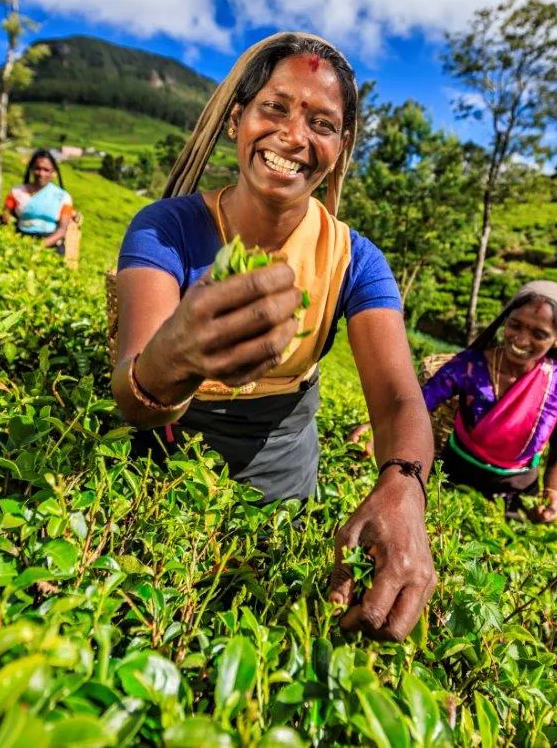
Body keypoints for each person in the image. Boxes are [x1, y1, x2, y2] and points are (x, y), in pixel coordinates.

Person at [113, 32, 436, 641]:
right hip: (166, 450)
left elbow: (397, 398)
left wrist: (403, 486)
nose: (294, 136)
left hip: (283, 458)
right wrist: (175, 357)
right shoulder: (167, 231)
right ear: (238, 119)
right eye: (275, 108)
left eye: (322, 122)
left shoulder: (354, 261)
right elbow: (133, 396)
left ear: (338, 150)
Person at [421, 281, 557, 523]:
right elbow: (418, 405)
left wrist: (552, 498)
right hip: (450, 484)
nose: (521, 339)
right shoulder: (470, 366)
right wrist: (376, 430)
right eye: (515, 325)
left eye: (539, 334)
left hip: (514, 502)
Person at [0, 149, 77, 254]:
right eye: (37, 169)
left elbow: (62, 230)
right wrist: (6, 218)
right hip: (21, 242)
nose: (41, 173)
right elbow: (5, 214)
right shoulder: (17, 192)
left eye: (46, 170)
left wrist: (39, 246)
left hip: (51, 245)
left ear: (53, 172)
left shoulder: (63, 197)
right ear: (31, 169)